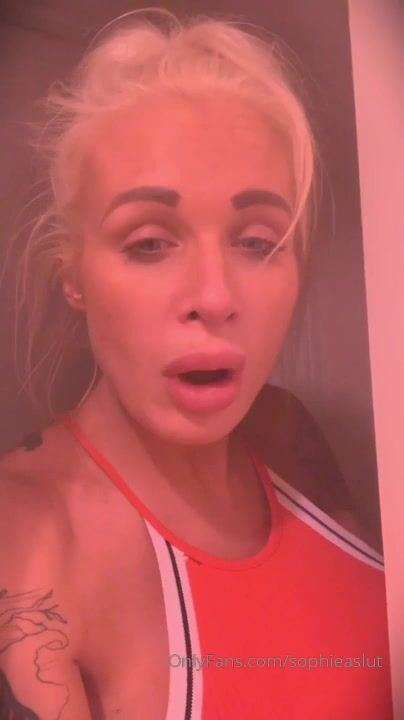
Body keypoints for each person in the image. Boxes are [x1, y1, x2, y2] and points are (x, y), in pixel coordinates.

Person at [0, 9, 393, 719]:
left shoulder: (288, 432)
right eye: (149, 243)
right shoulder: (27, 539)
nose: (215, 297)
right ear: (73, 273)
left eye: (257, 242)